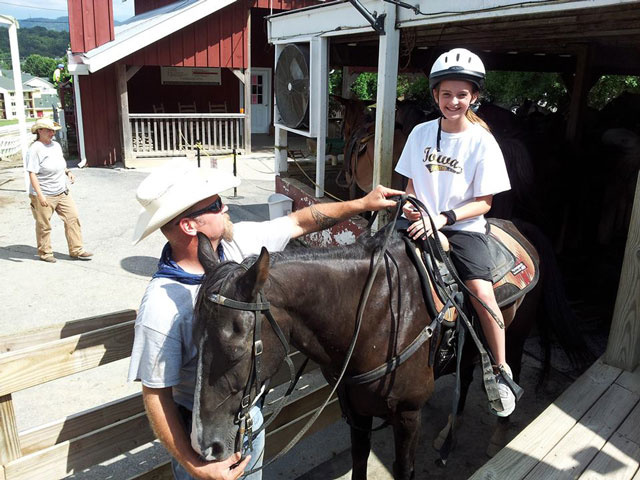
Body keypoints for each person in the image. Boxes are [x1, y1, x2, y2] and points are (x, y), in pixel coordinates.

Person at [127, 166, 402, 480]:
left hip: (249, 419)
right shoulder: (162, 304)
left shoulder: (234, 246)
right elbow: (156, 394)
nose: (226, 207)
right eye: (215, 206)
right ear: (190, 225)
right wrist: (195, 465)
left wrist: (362, 204)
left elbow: (299, 221)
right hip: (206, 437)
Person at [394, 48, 515, 417]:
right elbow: (412, 184)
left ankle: (499, 368)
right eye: (446, 94)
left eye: (462, 94)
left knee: (481, 292)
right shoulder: (420, 133)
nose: (453, 101)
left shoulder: (482, 141)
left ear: (474, 96)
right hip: (420, 218)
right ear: (435, 95)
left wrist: (442, 219)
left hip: (462, 225)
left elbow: (484, 203)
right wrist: (414, 207)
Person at [25, 118, 92, 263]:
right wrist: (40, 196)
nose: (52, 133)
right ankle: (45, 252)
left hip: (62, 191)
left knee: (72, 218)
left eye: (53, 130)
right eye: (49, 130)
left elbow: (60, 163)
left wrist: (68, 172)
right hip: (44, 193)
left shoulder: (55, 145)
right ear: (39, 131)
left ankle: (77, 250)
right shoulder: (35, 149)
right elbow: (32, 174)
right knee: (44, 224)